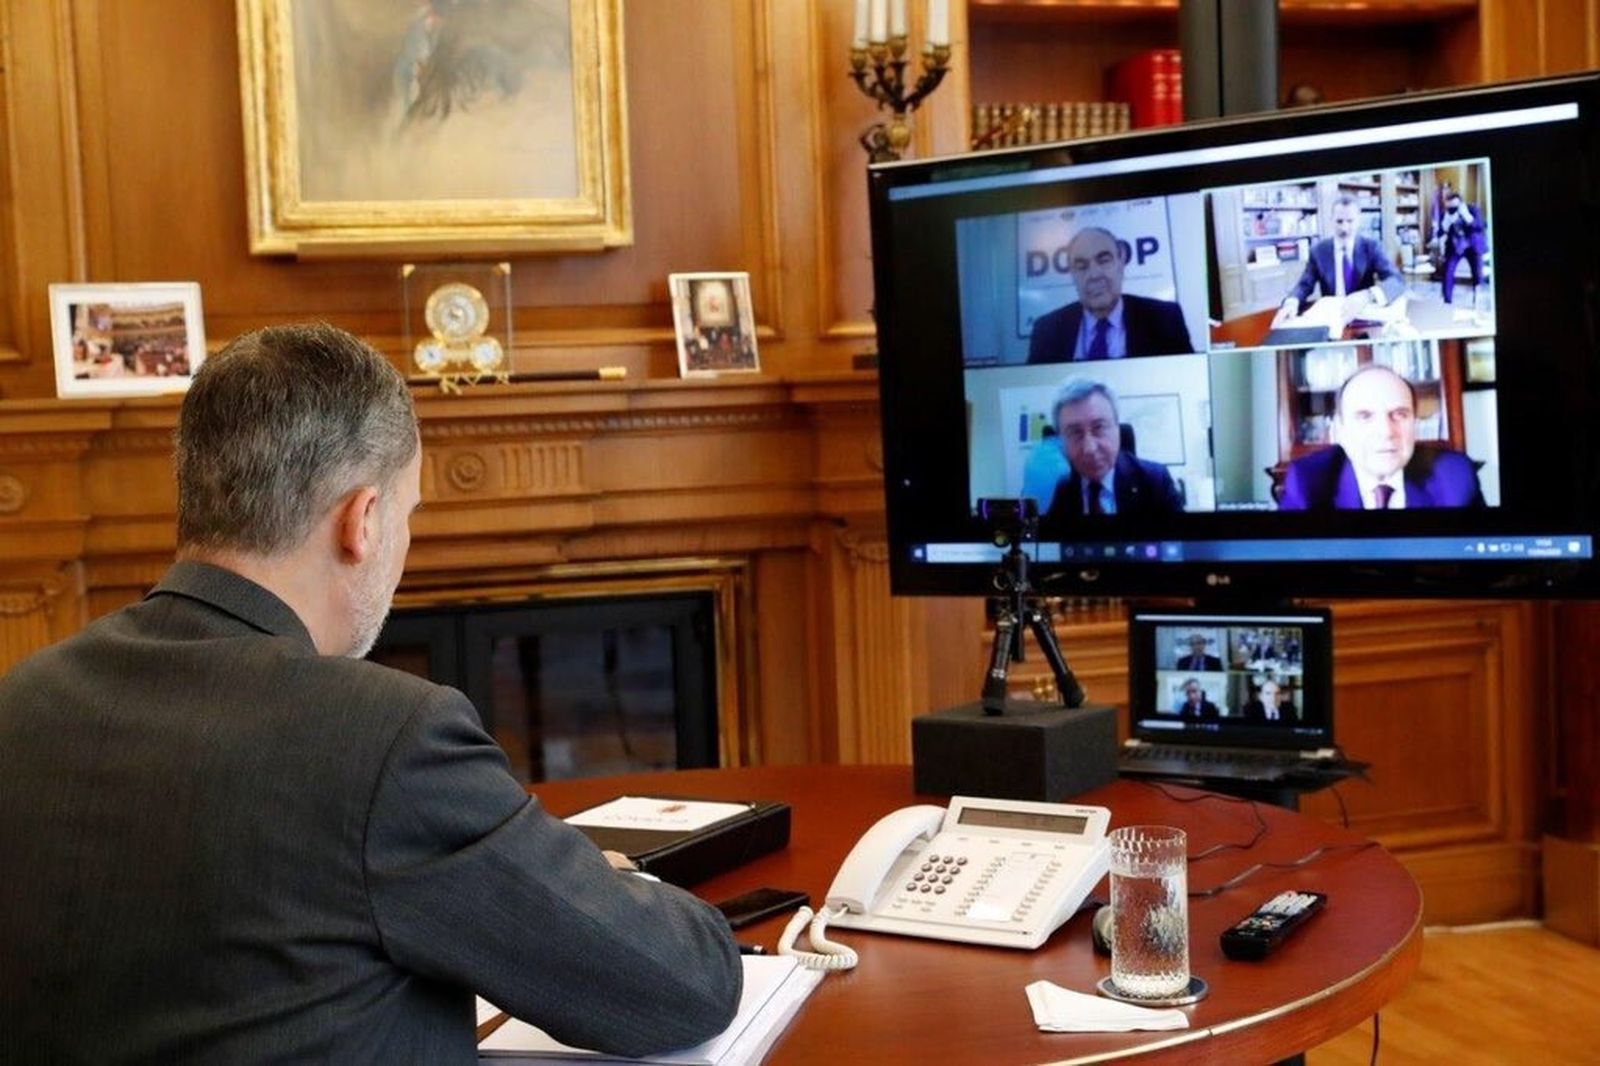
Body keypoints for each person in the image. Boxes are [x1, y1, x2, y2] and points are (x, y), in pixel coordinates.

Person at [0, 324, 742, 1063]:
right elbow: (685, 985)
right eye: (409, 514)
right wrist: (604, 878)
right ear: (362, 520)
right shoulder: (386, 737)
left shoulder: (23, 702)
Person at [1279, 363, 1485, 511]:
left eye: (1399, 414)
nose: (1386, 432)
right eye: (1365, 416)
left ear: (1415, 424)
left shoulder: (1455, 477)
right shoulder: (1307, 482)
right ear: (1340, 431)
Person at [1036, 378, 1184, 536]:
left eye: (1099, 427)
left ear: (1117, 429)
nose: (1090, 449)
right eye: (1075, 433)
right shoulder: (1063, 488)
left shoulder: (1155, 480)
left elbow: (1182, 545)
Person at [1027, 227, 1193, 363]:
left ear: (1121, 262)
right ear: (1072, 274)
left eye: (1103, 260)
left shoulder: (1165, 319)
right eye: (1082, 266)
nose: (1094, 275)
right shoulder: (1046, 330)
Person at [1273, 195, 1405, 326]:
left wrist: (1367, 295)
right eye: (1339, 221)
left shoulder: (1371, 246)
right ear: (1331, 220)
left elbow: (1396, 280)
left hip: (1363, 315)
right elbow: (1304, 285)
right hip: (1331, 318)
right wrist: (1291, 303)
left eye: (1350, 221)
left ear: (1359, 220)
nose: (1344, 228)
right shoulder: (1318, 251)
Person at [1435, 189, 1488, 305]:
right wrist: (1445, 225)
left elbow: (1481, 226)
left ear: (1461, 204)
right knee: (1447, 272)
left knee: (1477, 274)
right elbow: (1439, 233)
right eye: (1450, 207)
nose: (1452, 209)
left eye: (1455, 206)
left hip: (1473, 246)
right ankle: (1447, 302)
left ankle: (1478, 300)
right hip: (1455, 247)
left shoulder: (1472, 209)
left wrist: (1467, 217)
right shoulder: (1446, 214)